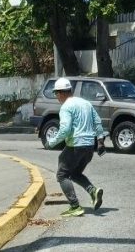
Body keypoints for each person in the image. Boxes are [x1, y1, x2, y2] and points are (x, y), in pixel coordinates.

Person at [47, 78, 107, 217]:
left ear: (61, 93)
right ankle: (93, 191)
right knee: (74, 174)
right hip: (89, 146)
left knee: (62, 175)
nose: (57, 97)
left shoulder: (66, 107)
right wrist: (100, 141)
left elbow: (65, 130)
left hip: (75, 145)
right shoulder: (86, 103)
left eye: (56, 94)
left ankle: (75, 206)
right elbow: (98, 122)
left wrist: (51, 142)